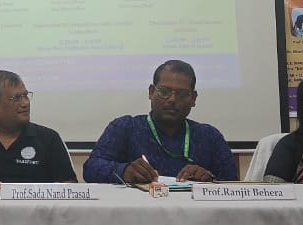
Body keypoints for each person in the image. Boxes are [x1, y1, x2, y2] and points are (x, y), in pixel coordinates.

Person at [84, 60, 237, 184]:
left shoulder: (209, 136)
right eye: (164, 91)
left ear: (193, 99)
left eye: (182, 94)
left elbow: (232, 183)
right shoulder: (125, 127)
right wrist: (124, 171)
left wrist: (208, 178)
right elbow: (91, 168)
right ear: (151, 92)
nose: (172, 99)